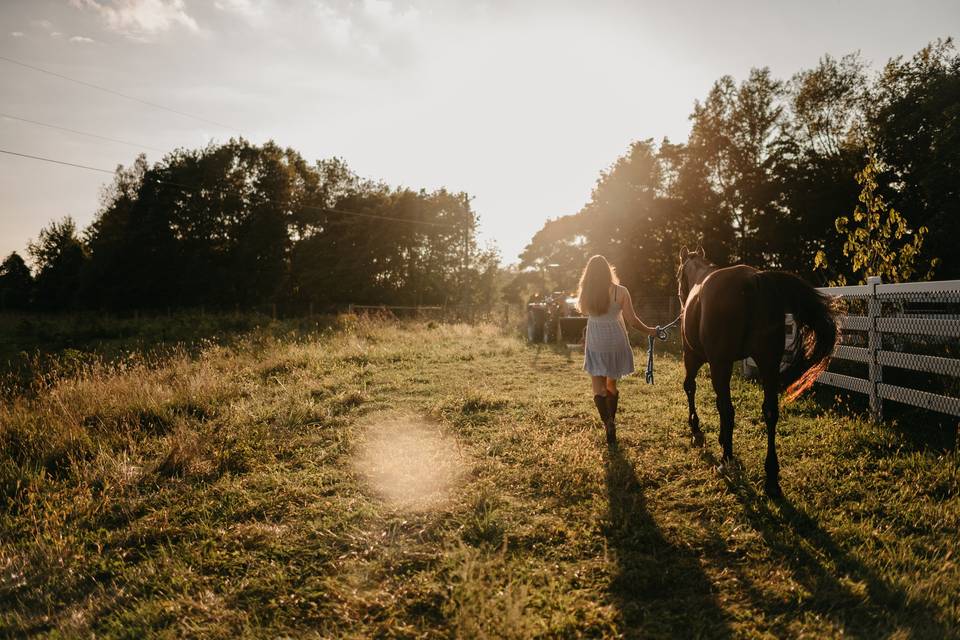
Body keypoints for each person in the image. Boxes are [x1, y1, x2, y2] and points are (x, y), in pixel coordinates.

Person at [576, 255, 657, 445]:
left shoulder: (586, 293)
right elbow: (632, 320)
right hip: (615, 342)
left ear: (589, 273)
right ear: (608, 270)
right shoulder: (620, 292)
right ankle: (612, 420)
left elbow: (584, 311)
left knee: (598, 386)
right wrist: (651, 331)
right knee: (611, 385)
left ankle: (607, 423)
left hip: (596, 341)